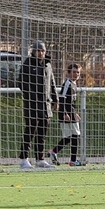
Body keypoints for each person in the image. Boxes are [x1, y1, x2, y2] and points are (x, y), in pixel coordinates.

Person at [18, 41, 59, 169]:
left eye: (43, 51)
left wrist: (55, 99)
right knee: (30, 131)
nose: (41, 53)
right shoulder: (27, 65)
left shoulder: (47, 65)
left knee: (42, 133)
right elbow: (22, 83)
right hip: (32, 105)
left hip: (45, 105)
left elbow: (51, 82)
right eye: (38, 51)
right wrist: (33, 97)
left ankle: (40, 159)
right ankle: (24, 159)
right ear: (33, 52)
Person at [49, 63, 83, 166]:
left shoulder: (74, 84)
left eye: (78, 72)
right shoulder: (67, 84)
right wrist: (64, 113)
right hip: (66, 113)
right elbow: (62, 99)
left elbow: (71, 102)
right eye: (73, 72)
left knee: (70, 137)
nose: (76, 74)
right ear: (68, 73)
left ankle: (54, 152)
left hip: (71, 113)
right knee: (75, 136)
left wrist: (75, 113)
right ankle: (72, 160)